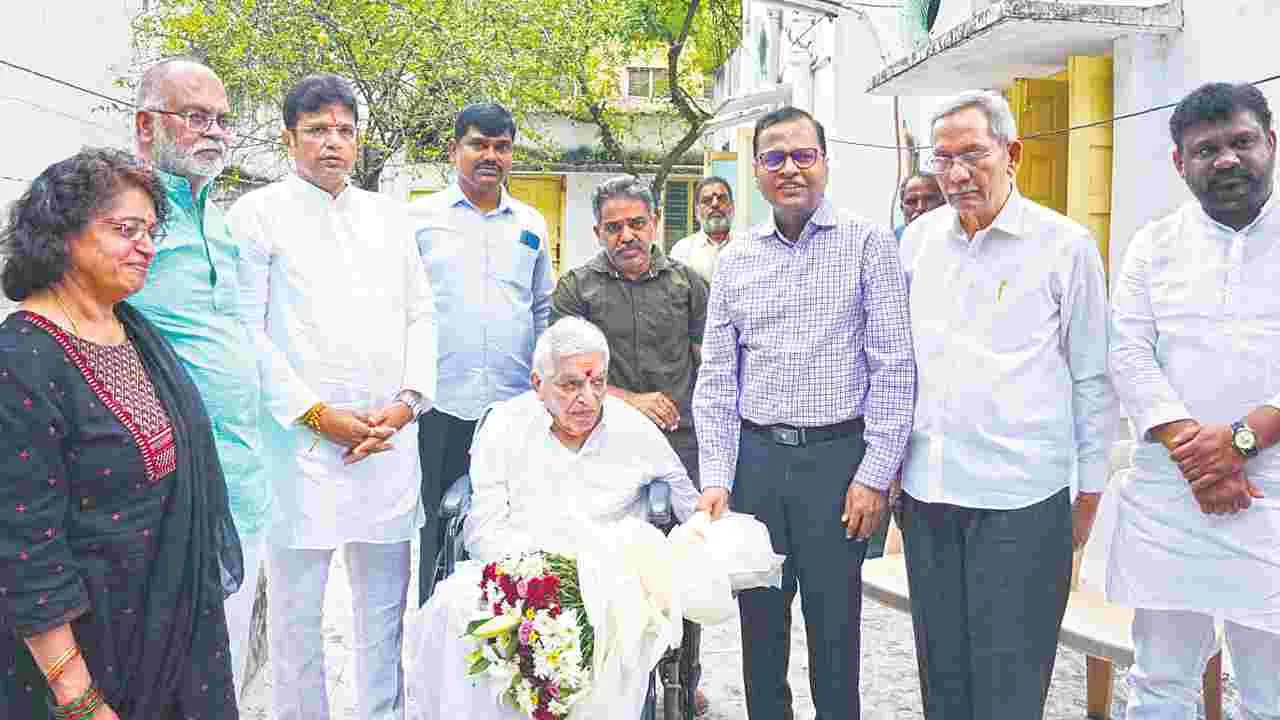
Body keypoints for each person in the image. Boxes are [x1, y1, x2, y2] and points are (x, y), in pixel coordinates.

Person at [0, 148, 242, 719]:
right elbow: (26, 546)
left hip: (168, 636)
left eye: (151, 232)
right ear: (61, 236)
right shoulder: (21, 361)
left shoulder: (130, 327)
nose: (147, 246)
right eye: (126, 230)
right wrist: (80, 700)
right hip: (84, 656)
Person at [897, 90, 1116, 719]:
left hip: (1022, 501)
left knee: (1010, 690)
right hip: (930, 495)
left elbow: (1093, 377)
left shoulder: (1065, 246)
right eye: (943, 159)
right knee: (944, 684)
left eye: (973, 155)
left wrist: (1090, 492)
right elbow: (899, 365)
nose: (956, 174)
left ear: (1012, 153)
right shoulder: (917, 242)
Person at [693, 106, 915, 720]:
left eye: (803, 155)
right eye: (774, 157)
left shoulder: (868, 244)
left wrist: (874, 475)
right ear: (756, 172)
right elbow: (717, 379)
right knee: (760, 626)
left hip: (837, 467)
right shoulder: (737, 258)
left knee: (834, 628)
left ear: (824, 162)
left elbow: (895, 368)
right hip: (757, 464)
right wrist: (717, 477)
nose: (789, 168)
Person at [227, 74, 436, 720]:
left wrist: (405, 405)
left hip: (386, 443)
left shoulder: (389, 216)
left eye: (345, 130)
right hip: (301, 449)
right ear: (288, 138)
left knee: (383, 613)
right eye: (317, 130)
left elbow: (421, 314)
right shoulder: (256, 215)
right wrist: (317, 415)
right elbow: (245, 330)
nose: (333, 142)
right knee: (297, 619)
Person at [407, 316, 698, 720]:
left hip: (607, 583)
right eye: (570, 385)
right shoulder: (504, 425)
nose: (588, 398)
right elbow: (484, 525)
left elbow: (690, 505)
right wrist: (533, 579)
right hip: (516, 570)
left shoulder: (636, 430)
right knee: (453, 611)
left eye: (598, 383)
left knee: (617, 634)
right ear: (536, 383)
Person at [1108, 82, 1280, 719]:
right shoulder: (1153, 245)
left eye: (1242, 141)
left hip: (1271, 495)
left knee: (1270, 693)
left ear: (1271, 143)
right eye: (1206, 149)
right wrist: (1201, 459)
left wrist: (1241, 442)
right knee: (1159, 681)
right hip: (1172, 498)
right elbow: (1127, 353)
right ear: (1180, 163)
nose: (1227, 159)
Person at [128, 57, 269, 695]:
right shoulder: (126, 215)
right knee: (166, 679)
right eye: (195, 117)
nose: (214, 132)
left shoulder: (216, 215)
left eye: (222, 120)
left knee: (226, 673)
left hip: (242, 485)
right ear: (146, 125)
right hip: (167, 492)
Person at [551, 175, 712, 713]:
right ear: (598, 232)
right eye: (614, 227)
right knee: (611, 568)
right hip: (604, 449)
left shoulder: (687, 285)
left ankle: (683, 675)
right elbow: (563, 372)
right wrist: (629, 400)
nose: (627, 236)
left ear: (655, 224)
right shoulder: (577, 289)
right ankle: (610, 679)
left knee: (682, 567)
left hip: (680, 447)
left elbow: (711, 364)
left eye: (637, 224)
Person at [410, 102, 553, 606]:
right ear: (455, 150)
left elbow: (541, 307)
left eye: (501, 146)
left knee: (512, 529)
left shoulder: (531, 224)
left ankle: (510, 636)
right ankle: (434, 634)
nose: (490, 155)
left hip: (513, 409)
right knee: (436, 529)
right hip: (439, 405)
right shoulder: (419, 219)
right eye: (478, 144)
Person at [670, 176, 736, 282]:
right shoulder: (682, 251)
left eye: (722, 199)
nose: (715, 204)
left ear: (732, 207)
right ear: (697, 212)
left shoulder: (746, 247)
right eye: (707, 200)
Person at [894, 172, 944, 241]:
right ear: (902, 208)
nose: (920, 207)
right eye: (912, 201)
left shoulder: (955, 236)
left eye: (929, 199)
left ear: (943, 204)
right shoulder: (893, 240)